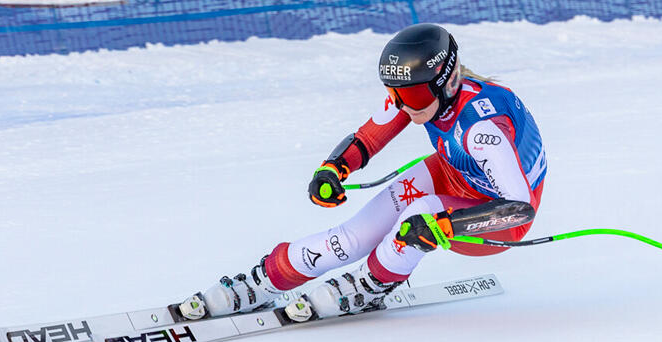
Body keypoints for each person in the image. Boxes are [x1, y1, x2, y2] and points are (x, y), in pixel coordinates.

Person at [179, 23, 547, 322]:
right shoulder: (423, 96)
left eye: (414, 98)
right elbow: (370, 136)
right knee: (354, 235)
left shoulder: (483, 131)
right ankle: (266, 280)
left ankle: (372, 283)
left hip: (496, 216)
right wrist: (334, 168)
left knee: (417, 221)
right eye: (396, 93)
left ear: (448, 82)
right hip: (455, 173)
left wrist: (445, 226)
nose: (403, 106)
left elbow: (518, 209)